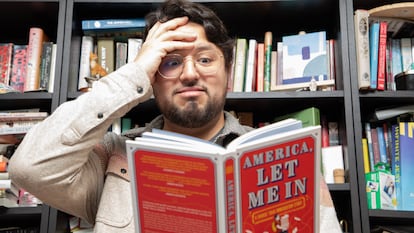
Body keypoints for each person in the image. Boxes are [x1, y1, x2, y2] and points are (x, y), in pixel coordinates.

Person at [9, 0, 343, 232]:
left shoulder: (287, 157)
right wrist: (134, 72)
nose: (189, 75)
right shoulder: (111, 156)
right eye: (170, 62)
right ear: (153, 77)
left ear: (228, 73)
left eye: (205, 59)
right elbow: (28, 169)